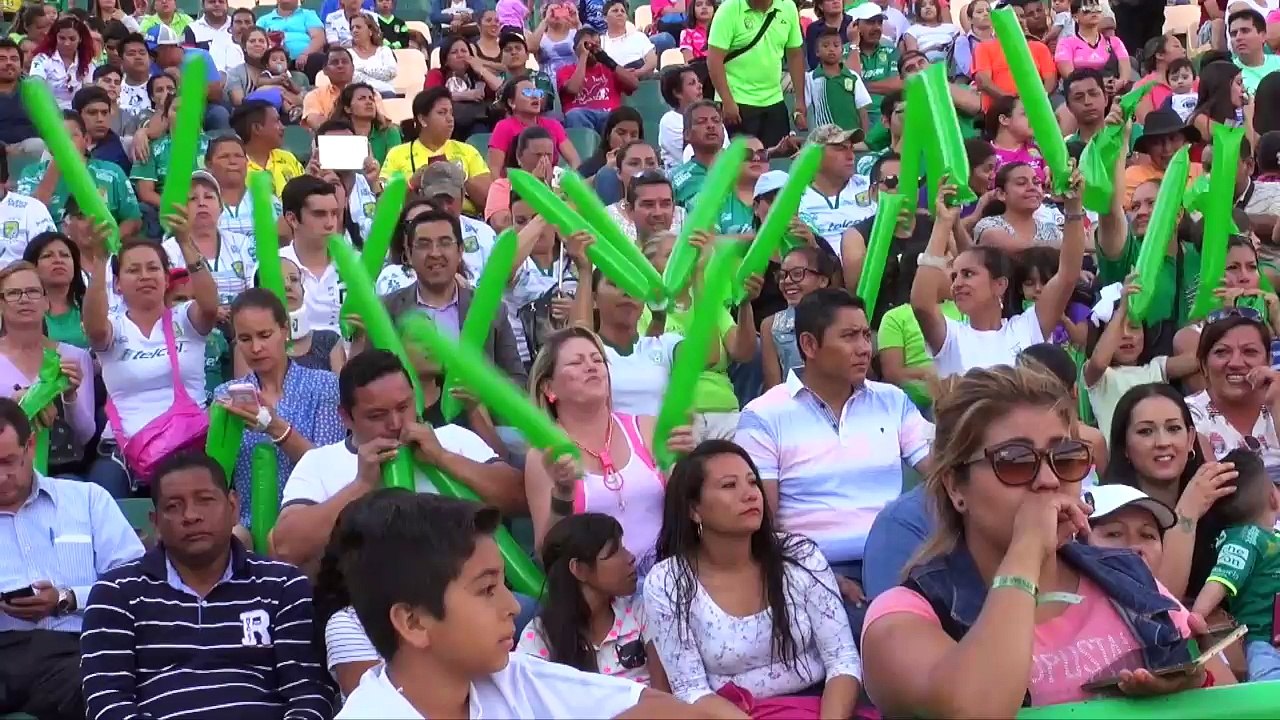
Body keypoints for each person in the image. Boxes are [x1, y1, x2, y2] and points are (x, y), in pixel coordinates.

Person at [861, 364, 1236, 714]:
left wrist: (1183, 690)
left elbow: (1227, 699)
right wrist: (1026, 550)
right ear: (955, 486)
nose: (1049, 480)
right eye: (1015, 461)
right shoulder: (905, 615)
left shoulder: (1128, 577)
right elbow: (976, 707)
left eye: (1066, 458)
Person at [331, 491, 698, 719]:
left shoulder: (513, 678)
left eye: (504, 585)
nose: (512, 606)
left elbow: (651, 707)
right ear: (413, 623)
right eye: (487, 589)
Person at [80, 452, 337, 720]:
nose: (190, 516)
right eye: (173, 506)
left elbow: (310, 695)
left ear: (233, 507)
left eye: (205, 501)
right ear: (155, 523)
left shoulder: (283, 585)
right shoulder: (116, 593)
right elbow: (108, 705)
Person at [737, 288, 931, 634]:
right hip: (812, 568)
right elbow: (759, 523)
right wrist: (819, 575)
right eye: (849, 336)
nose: (864, 348)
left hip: (901, 560)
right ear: (810, 346)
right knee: (884, 636)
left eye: (866, 336)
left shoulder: (892, 401)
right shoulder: (765, 415)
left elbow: (943, 474)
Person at [644, 439, 862, 716]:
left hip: (821, 706)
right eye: (729, 485)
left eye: (752, 482)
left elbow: (842, 659)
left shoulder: (800, 555)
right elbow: (691, 690)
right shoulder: (668, 581)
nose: (750, 494)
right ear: (693, 510)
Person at [271, 349, 523, 569]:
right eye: (377, 415)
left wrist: (443, 458)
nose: (395, 423)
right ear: (346, 417)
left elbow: (519, 498)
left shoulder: (453, 438)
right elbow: (286, 548)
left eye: (404, 407)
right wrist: (360, 486)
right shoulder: (320, 461)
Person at [0, 398, 143, 720]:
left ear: (31, 446)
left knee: (101, 683)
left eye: (8, 461)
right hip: (4, 649)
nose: (1, 476)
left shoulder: (86, 500)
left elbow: (134, 585)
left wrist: (66, 598)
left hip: (77, 648)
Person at [524, 326, 694, 572]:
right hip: (598, 599)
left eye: (597, 360)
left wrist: (690, 463)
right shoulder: (543, 455)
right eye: (576, 362)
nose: (591, 366)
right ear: (549, 388)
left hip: (667, 581)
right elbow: (546, 554)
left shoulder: (646, 427)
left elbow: (690, 507)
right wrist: (562, 493)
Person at [84, 217, 220, 497]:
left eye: (153, 268)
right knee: (101, 492)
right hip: (122, 453)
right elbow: (95, 328)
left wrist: (185, 241)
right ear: (118, 284)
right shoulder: (114, 326)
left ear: (166, 277)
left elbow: (210, 306)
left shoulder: (186, 318)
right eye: (133, 270)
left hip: (188, 446)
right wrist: (99, 263)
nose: (145, 275)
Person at [912, 177, 1085, 378]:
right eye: (954, 277)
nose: (957, 284)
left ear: (1000, 285)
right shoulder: (951, 336)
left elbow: (1067, 275)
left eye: (968, 274)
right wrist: (943, 222)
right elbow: (921, 305)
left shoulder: (1028, 327)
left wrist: (1073, 207)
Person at [212, 288, 346, 529]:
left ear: (284, 330)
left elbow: (329, 469)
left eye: (264, 335)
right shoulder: (226, 394)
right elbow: (218, 473)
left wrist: (275, 427)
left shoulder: (324, 385)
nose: (255, 348)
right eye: (245, 339)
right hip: (246, 527)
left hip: (312, 523)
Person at [380, 208, 527, 386]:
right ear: (409, 255)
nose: (435, 253)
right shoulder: (387, 310)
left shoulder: (491, 310)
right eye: (424, 244)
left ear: (460, 251)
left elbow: (517, 381)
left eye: (444, 243)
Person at [516, 513, 647, 682]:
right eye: (615, 551)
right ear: (579, 569)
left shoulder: (641, 612)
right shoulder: (541, 636)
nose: (630, 557)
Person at [1191, 448, 1280, 681]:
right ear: (1274, 497)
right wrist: (1198, 614)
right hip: (1265, 644)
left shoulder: (1271, 538)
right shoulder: (1245, 538)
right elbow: (1221, 578)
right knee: (1269, 693)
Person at [0, 261, 96, 466]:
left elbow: (86, 434)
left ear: (46, 301)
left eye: (33, 291)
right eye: (13, 293)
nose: (24, 299)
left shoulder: (75, 357)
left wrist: (70, 396)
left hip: (62, 470)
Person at [1187, 311, 1280, 480]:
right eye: (1222, 352)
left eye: (1249, 352)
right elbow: (1221, 495)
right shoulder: (1185, 416)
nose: (1236, 363)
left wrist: (1276, 405)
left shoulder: (1277, 402)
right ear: (1203, 365)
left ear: (1269, 361)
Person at [706, 0, 806, 147]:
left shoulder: (788, 7)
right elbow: (714, 59)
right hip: (737, 104)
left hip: (774, 101)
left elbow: (795, 54)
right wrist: (727, 101)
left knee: (777, 159)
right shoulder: (729, 9)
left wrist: (800, 100)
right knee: (742, 162)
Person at [382, 87, 493, 216]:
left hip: (464, 220)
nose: (450, 118)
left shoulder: (467, 151)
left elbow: (488, 201)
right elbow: (384, 203)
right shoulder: (398, 154)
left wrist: (460, 178)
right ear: (422, 119)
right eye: (442, 112)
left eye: (451, 113)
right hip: (416, 221)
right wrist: (411, 184)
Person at [759, 247, 835, 390]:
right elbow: (773, 387)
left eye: (797, 274)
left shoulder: (840, 318)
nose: (787, 281)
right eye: (782, 275)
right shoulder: (770, 325)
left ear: (823, 280)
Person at [796, 125, 875, 253]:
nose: (851, 156)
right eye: (841, 148)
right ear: (815, 155)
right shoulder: (796, 198)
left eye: (851, 148)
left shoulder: (871, 185)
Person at [972, 0, 1056, 110]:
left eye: (1022, 16)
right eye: (1013, 16)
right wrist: (1012, 101)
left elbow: (1050, 80)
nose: (1019, 20)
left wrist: (1039, 100)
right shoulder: (984, 48)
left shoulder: (1040, 48)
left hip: (1036, 109)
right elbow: (983, 81)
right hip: (1001, 110)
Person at [488, 74, 578, 172]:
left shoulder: (554, 125)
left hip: (548, 185)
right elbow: (494, 169)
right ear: (511, 103)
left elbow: (575, 161)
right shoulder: (504, 127)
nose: (535, 96)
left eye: (537, 92)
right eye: (527, 92)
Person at [558, 26, 639, 134]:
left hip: (610, 116)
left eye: (597, 44)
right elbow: (574, 89)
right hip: (582, 116)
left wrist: (605, 59)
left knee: (625, 118)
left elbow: (634, 85)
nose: (592, 49)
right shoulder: (566, 70)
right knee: (574, 115)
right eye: (587, 45)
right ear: (576, 49)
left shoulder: (609, 68)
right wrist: (583, 56)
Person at [423, 34, 503, 139]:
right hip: (446, 121)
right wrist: (464, 95)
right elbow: (431, 96)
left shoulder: (477, 76)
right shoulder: (436, 74)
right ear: (445, 60)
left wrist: (481, 70)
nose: (460, 55)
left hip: (476, 121)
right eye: (454, 52)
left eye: (464, 51)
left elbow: (501, 90)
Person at [972, 163, 1063, 250]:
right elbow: (1020, 250)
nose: (1032, 187)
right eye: (1021, 183)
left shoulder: (1052, 230)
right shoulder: (989, 225)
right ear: (1001, 194)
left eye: (1036, 182)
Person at [23, 233, 89, 349]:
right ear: (32, 266)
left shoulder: (89, 305)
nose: (58, 260)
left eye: (65, 255)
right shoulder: (21, 309)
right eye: (48, 256)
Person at [804, 27, 871, 134]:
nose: (831, 49)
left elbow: (862, 110)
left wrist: (865, 137)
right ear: (817, 52)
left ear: (842, 50)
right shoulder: (811, 78)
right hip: (824, 140)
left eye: (836, 45)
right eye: (826, 46)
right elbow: (805, 108)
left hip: (851, 137)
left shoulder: (852, 77)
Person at [233, 100, 305, 196]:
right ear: (257, 128)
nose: (283, 127)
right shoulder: (235, 168)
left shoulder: (288, 158)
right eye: (276, 121)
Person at [1054, 0, 1130, 86]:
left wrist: (1119, 83)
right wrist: (1099, 85)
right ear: (1075, 16)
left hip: (1114, 91)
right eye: (1086, 9)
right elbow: (1069, 76)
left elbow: (1125, 74)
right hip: (1082, 93)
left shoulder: (1115, 42)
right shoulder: (1065, 44)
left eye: (1097, 8)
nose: (1093, 11)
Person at [30, 16, 97, 110]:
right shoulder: (42, 59)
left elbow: (89, 92)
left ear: (80, 39)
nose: (67, 43)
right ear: (55, 37)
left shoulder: (88, 62)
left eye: (72, 39)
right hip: (47, 111)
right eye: (62, 38)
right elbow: (36, 84)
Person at [330, 81, 402, 163]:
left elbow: (395, 169)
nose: (369, 102)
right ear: (348, 108)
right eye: (362, 98)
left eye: (371, 98)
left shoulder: (389, 132)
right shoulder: (337, 134)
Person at [255, 0, 325, 80]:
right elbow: (255, 38)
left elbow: (319, 38)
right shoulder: (264, 20)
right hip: (272, 62)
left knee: (317, 58)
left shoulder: (308, 15)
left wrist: (305, 54)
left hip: (304, 62)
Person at [497, 32, 558, 116]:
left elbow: (542, 103)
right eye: (508, 50)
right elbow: (497, 107)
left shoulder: (539, 76)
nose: (513, 52)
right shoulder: (497, 79)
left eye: (518, 48)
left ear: (527, 55)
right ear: (501, 57)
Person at [74, 85, 131, 176]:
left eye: (104, 113)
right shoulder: (60, 148)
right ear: (77, 115)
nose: (100, 119)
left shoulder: (126, 147)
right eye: (92, 113)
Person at [528, 0, 581, 85]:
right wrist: (546, 21)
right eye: (554, 12)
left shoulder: (574, 33)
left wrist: (577, 23)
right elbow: (531, 48)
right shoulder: (541, 37)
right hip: (549, 85)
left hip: (572, 83)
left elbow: (588, 47)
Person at [1230, 9, 1280, 95]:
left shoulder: (1278, 62)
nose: (1238, 37)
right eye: (1234, 34)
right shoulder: (1229, 74)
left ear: (1263, 35)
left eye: (1245, 31)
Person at [601, 0, 658, 74]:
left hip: (642, 78)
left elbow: (652, 61)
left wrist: (636, 74)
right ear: (605, 18)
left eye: (623, 11)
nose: (620, 13)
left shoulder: (639, 36)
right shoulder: (600, 42)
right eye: (615, 11)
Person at [347, 14, 397, 96]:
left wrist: (363, 69)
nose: (354, 31)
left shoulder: (384, 51)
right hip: (358, 95)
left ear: (370, 31)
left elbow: (391, 73)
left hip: (385, 93)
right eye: (352, 28)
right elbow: (353, 77)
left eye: (358, 27)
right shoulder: (347, 53)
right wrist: (377, 76)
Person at [188, 0, 243, 72]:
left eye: (221, 1)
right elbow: (187, 61)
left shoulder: (238, 25)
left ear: (227, 5)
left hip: (240, 78)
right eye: (212, 2)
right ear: (203, 5)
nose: (217, 4)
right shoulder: (191, 29)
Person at [804, 0, 851, 69]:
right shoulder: (813, 29)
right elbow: (813, 62)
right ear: (820, 6)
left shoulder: (853, 23)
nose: (835, 1)